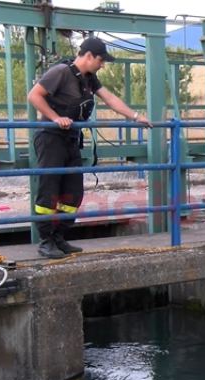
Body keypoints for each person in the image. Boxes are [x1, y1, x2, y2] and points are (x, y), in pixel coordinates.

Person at [27, 37, 151, 259]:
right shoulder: (60, 72)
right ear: (89, 56)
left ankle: (59, 237)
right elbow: (34, 95)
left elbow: (110, 98)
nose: (102, 65)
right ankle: (46, 241)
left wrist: (136, 116)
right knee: (49, 190)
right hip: (51, 138)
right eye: (101, 60)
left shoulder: (89, 79)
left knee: (73, 193)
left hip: (71, 138)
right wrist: (55, 118)